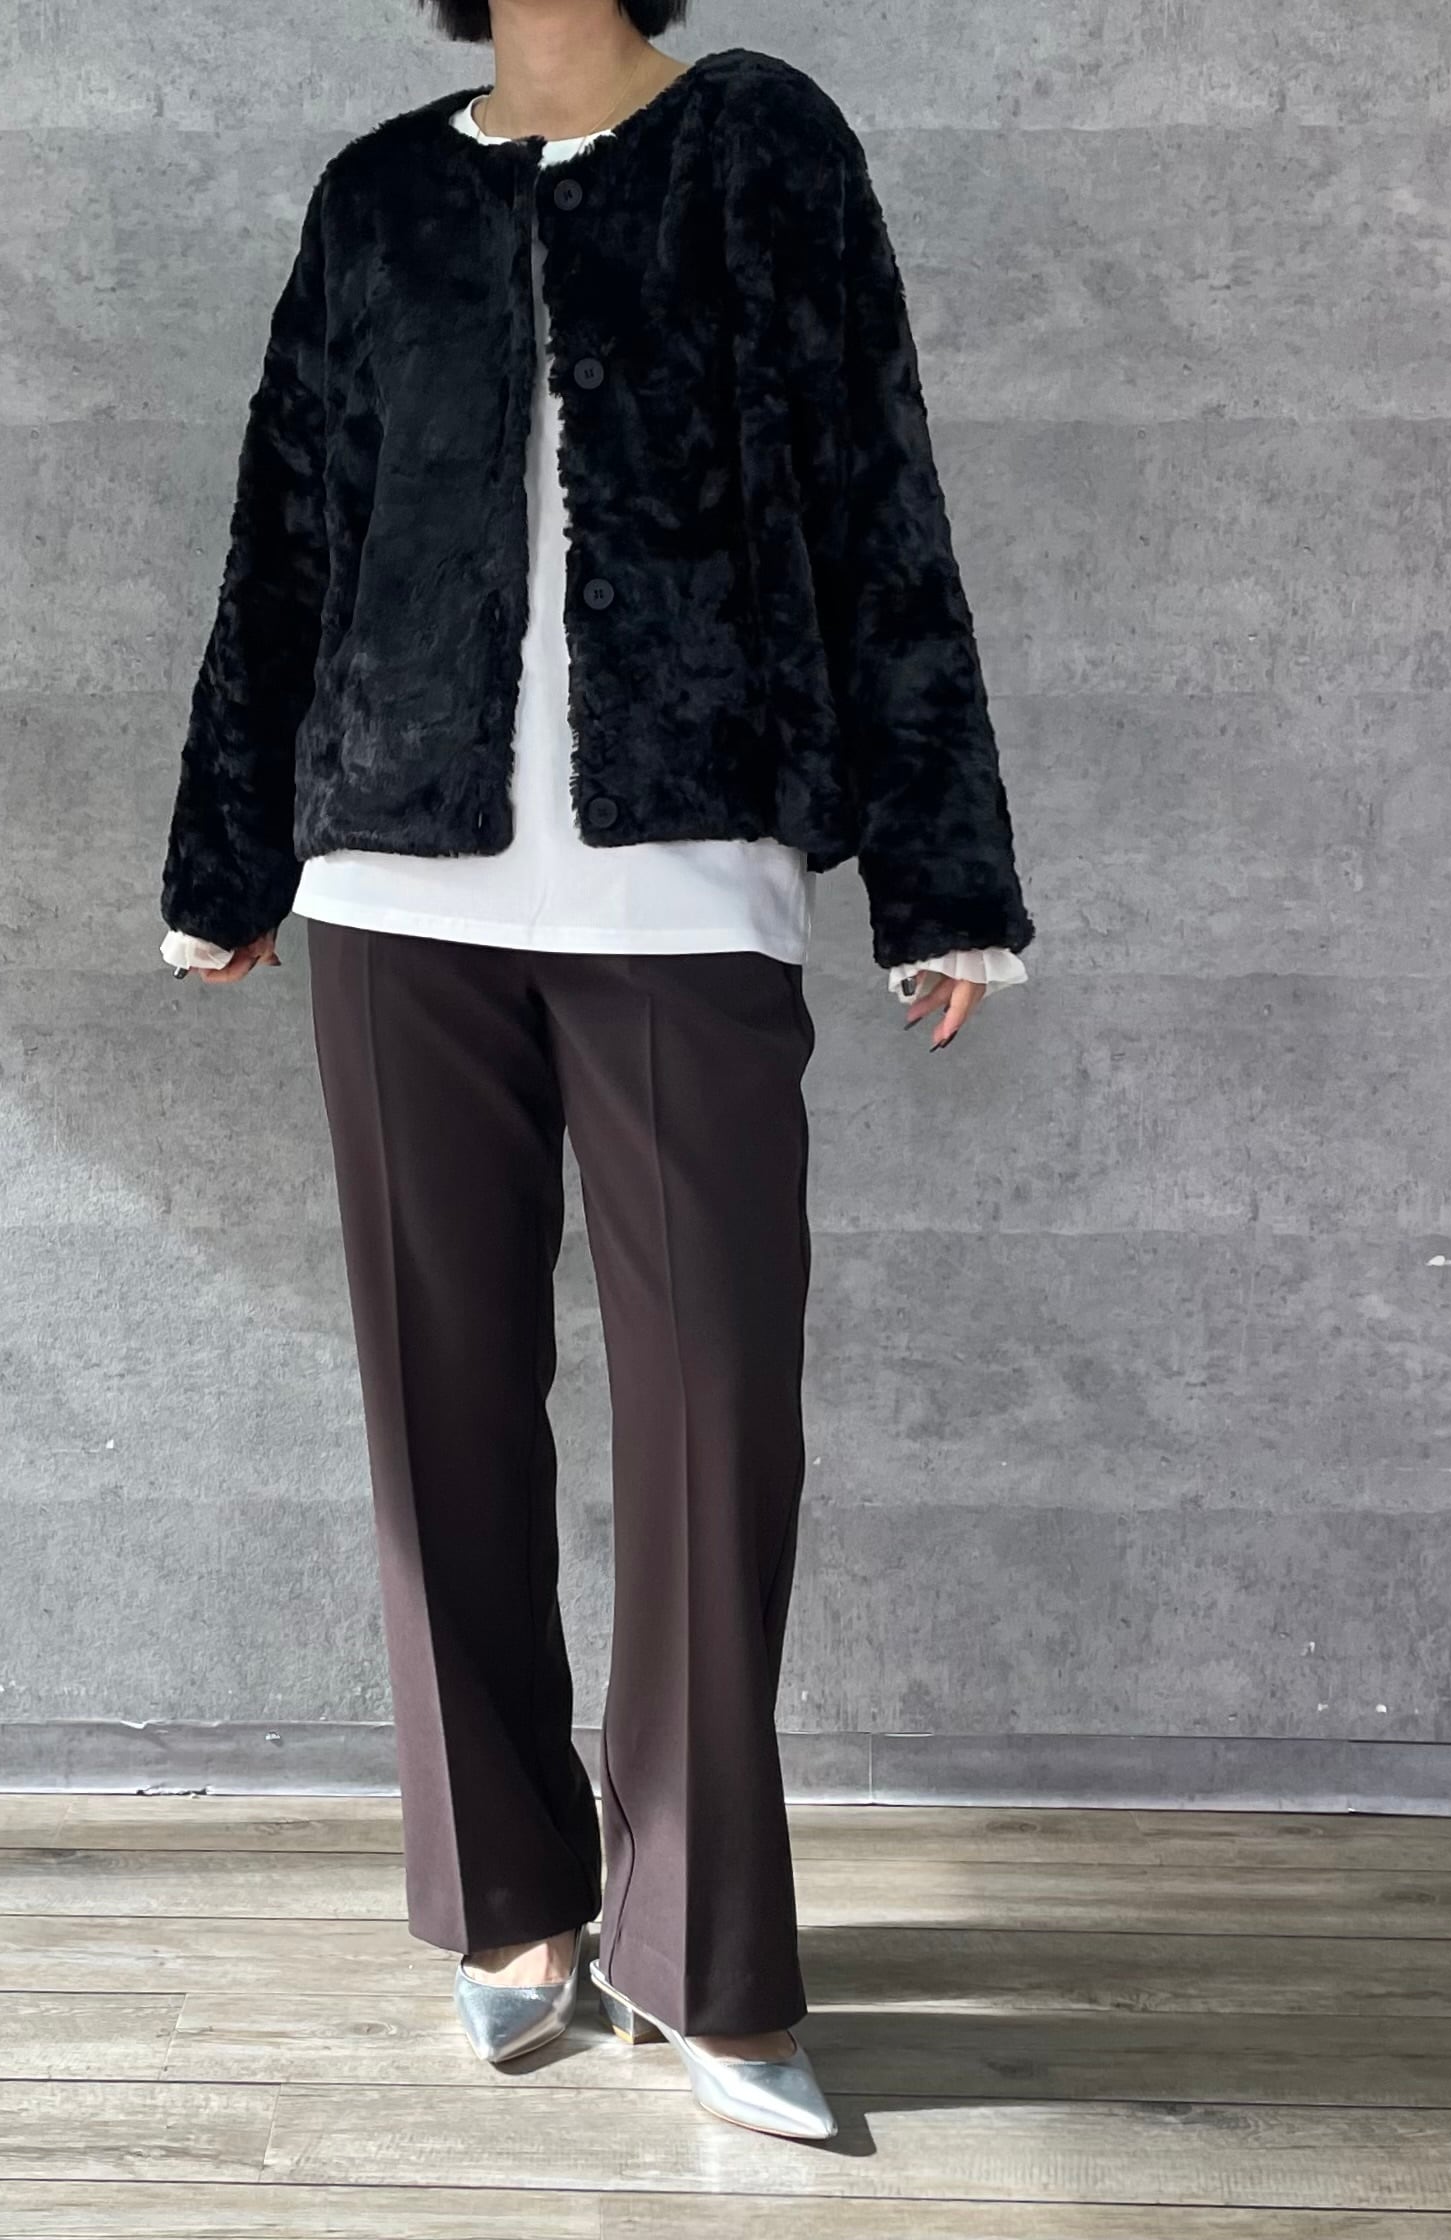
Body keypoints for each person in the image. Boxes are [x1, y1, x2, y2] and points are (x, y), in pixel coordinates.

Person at [158, 0, 1034, 2144]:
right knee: (437, 1407)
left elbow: (874, 483)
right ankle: (511, 1907)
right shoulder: (377, 194)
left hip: (685, 875)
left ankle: (705, 1957)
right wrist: (229, 856)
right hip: (395, 878)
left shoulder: (761, 146)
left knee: (718, 1421)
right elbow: (289, 529)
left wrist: (941, 876)